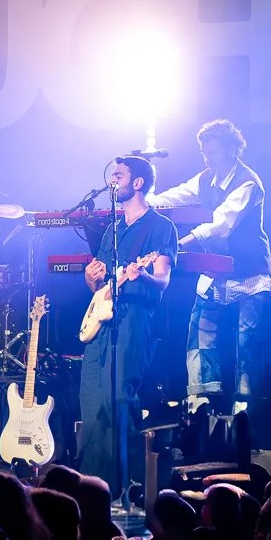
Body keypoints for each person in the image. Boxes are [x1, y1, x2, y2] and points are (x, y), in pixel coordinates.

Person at [146, 119, 271, 415]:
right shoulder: (206, 178)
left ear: (231, 149)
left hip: (249, 275)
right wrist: (146, 203)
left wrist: (183, 243)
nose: (206, 158)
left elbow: (221, 225)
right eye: (204, 152)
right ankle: (201, 401)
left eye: (212, 152)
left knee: (247, 340)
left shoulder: (248, 183)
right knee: (200, 333)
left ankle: (246, 404)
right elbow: (176, 195)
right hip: (215, 272)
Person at [78, 155, 176, 496]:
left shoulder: (161, 227)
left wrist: (144, 274)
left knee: (120, 397)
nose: (113, 181)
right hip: (104, 318)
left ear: (138, 182)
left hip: (135, 318)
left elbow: (162, 280)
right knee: (92, 397)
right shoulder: (112, 229)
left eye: (119, 175)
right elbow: (101, 284)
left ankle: (126, 482)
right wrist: (91, 278)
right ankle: (92, 486)